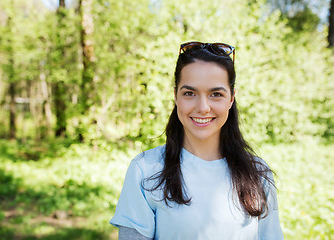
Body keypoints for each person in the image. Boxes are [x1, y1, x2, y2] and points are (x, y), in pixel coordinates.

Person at [110, 41, 284, 240]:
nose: (203, 107)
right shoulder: (145, 170)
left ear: (232, 98)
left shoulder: (258, 174)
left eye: (216, 94)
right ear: (175, 95)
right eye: (190, 93)